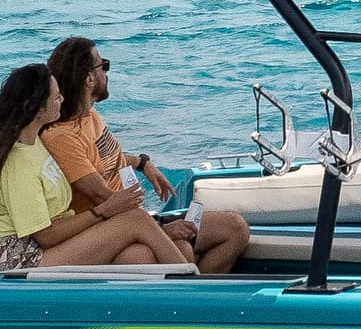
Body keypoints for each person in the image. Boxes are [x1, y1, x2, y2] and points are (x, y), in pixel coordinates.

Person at [0, 62, 188, 272]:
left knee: (139, 256)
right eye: (56, 97)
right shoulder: (17, 164)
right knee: (135, 219)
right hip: (25, 257)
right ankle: (194, 287)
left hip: (50, 243)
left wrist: (139, 162)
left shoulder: (35, 141)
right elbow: (45, 235)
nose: (62, 100)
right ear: (37, 108)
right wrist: (104, 210)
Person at [44, 36, 249, 274]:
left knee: (234, 228)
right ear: (89, 78)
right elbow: (106, 199)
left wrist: (142, 163)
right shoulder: (62, 137)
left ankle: (206, 299)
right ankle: (194, 301)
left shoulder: (90, 117)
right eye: (103, 66)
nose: (107, 73)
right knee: (180, 247)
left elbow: (108, 158)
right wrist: (159, 230)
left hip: (133, 217)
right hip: (111, 227)